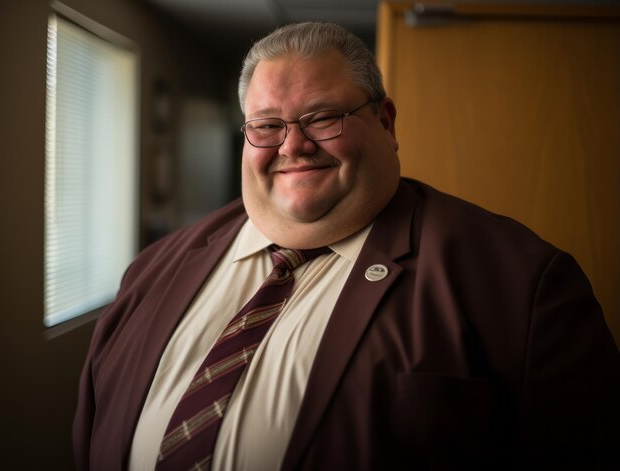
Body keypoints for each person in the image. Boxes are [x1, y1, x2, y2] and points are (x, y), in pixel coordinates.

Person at [73, 22, 619, 470]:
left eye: (322, 118)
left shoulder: (521, 284)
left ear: (385, 121)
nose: (293, 145)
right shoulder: (153, 271)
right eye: (266, 125)